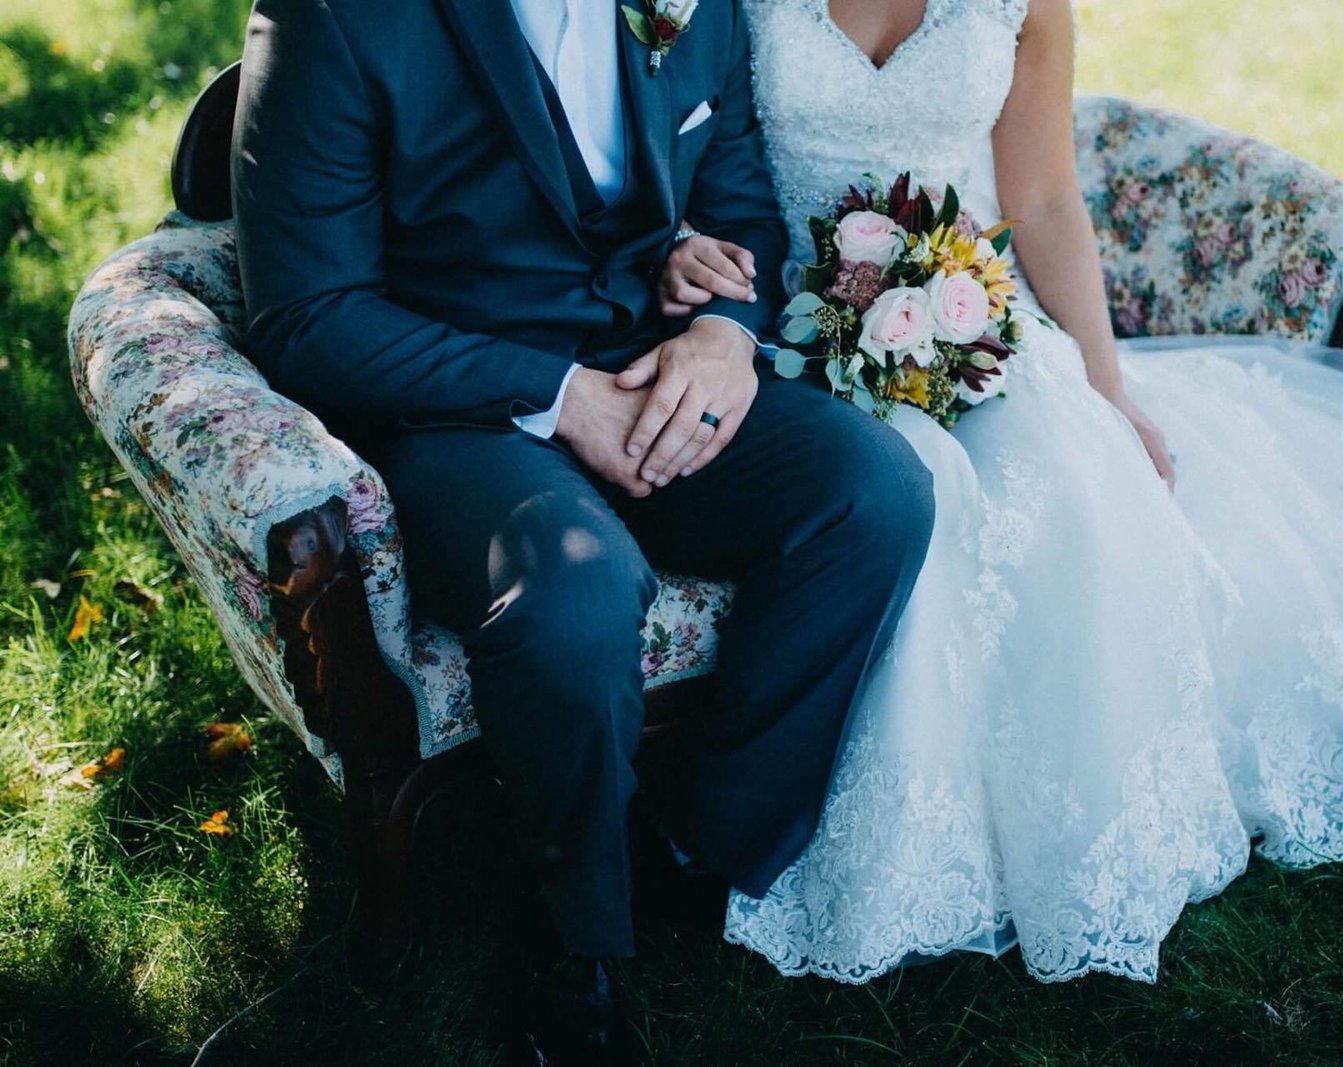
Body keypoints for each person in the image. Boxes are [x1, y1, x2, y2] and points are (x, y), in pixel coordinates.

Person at [657, 0, 1343, 985]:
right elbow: (667, 141)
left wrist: (1106, 387)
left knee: (1062, 483)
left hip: (963, 316)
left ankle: (1045, 824)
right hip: (776, 332)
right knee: (915, 496)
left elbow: (1046, 199)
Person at [231, 0, 934, 1058]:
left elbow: (738, 198)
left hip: (655, 364)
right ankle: (574, 941)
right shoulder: (338, 16)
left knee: (873, 491)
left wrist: (720, 330)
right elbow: (308, 313)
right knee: (571, 595)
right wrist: (558, 395)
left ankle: (699, 854)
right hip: (465, 406)